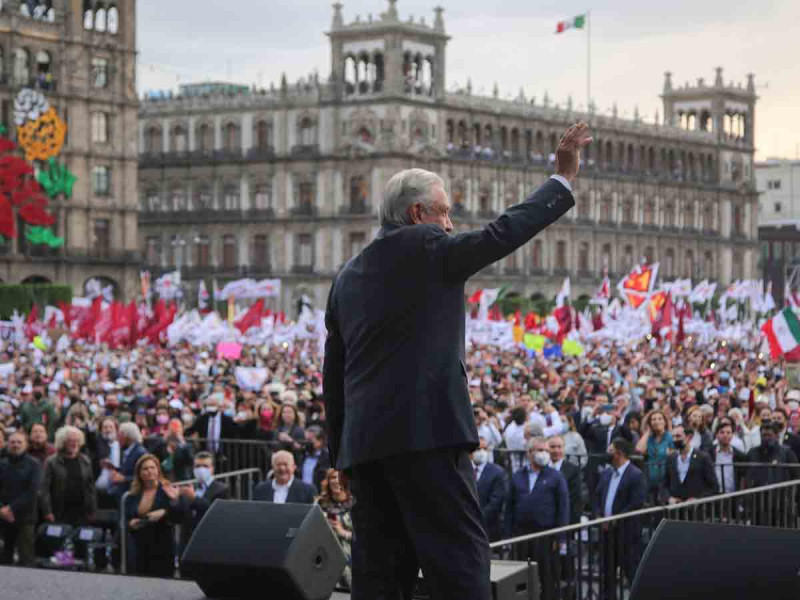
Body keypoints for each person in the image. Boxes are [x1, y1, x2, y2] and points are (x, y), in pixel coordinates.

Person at [324, 123, 590, 600]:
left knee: (380, 573)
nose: (450, 224)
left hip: (366, 448)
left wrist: (339, 454)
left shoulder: (347, 275)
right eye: (445, 213)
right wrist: (561, 181)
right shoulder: (428, 248)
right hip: (428, 437)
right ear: (418, 213)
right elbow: (501, 233)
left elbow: (334, 375)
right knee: (459, 563)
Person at [505, 437, 569, 600]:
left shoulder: (556, 476)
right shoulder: (518, 476)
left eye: (546, 451)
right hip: (522, 535)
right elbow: (509, 507)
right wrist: (508, 534)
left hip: (545, 536)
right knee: (520, 576)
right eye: (540, 450)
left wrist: (560, 538)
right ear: (529, 453)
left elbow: (563, 508)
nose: (544, 454)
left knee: (546, 576)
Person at [594, 438, 646, 600]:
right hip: (606, 532)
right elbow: (597, 496)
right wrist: (599, 517)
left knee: (631, 571)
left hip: (626, 533)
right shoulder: (607, 472)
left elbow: (636, 502)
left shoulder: (635, 475)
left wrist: (615, 520)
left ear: (619, 454)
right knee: (607, 572)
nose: (607, 454)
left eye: (610, 450)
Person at [124, 454, 182, 577]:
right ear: (139, 473)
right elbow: (126, 518)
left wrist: (166, 510)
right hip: (139, 548)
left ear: (158, 470)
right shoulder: (132, 495)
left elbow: (179, 516)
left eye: (152, 467)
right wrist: (130, 523)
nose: (149, 471)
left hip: (162, 548)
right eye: (145, 468)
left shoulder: (167, 490)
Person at [0, 431, 42, 566]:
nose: (16, 445)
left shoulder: (34, 464)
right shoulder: (2, 464)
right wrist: (2, 509)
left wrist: (11, 508)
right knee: (5, 555)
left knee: (26, 556)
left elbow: (32, 491)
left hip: (25, 516)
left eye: (19, 442)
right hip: (3, 516)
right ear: (7, 444)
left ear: (26, 445)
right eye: (12, 442)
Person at [40, 426, 97, 526]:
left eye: (77, 440)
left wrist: (92, 509)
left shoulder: (86, 461)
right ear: (63, 442)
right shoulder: (51, 462)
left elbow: (90, 487)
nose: (74, 443)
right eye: (70, 440)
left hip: (82, 512)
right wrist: (47, 511)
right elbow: (44, 489)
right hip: (59, 511)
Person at [177, 452, 230, 551]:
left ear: (212, 468)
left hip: (209, 541)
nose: (201, 469)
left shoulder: (221, 489)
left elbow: (214, 511)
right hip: (187, 542)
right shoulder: (189, 488)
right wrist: (175, 500)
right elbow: (181, 516)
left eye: (205, 466)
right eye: (197, 466)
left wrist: (194, 499)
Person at [316, 469, 354, 589]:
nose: (336, 481)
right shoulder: (319, 504)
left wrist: (342, 532)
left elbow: (366, 537)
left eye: (339, 477)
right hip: (326, 557)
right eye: (332, 477)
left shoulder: (356, 504)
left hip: (351, 558)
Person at [661, 426, 718, 504]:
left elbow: (714, 486)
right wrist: (669, 498)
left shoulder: (703, 457)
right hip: (675, 509)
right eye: (673, 437)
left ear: (689, 437)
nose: (674, 440)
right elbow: (664, 484)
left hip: (697, 509)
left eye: (678, 436)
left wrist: (699, 500)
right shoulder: (671, 458)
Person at [472, 438, 507, 542]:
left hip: (488, 527)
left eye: (485, 448)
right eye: (478, 449)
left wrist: (479, 518)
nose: (481, 452)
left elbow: (496, 501)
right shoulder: (464, 470)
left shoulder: (497, 472)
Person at [635, 410, 673, 503]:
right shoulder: (650, 438)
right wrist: (647, 432)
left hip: (666, 480)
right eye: (653, 419)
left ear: (665, 421)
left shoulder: (670, 436)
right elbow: (639, 449)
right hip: (651, 479)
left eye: (660, 419)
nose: (657, 421)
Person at [252, 450, 317, 503]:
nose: (282, 468)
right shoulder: (260, 490)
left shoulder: (308, 491)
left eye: (285, 464)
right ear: (272, 467)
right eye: (278, 464)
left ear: (293, 467)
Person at [549, 435, 584, 523]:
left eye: (559, 447)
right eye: (552, 447)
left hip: (564, 520)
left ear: (564, 449)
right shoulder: (542, 468)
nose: (556, 450)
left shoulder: (573, 470)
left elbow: (575, 498)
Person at [110, 422, 147, 498]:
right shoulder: (128, 450)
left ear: (128, 437)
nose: (117, 438)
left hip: (133, 495)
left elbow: (145, 476)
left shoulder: (140, 453)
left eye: (120, 435)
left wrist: (124, 479)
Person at [709, 419, 747, 494]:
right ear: (716, 435)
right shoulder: (709, 453)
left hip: (732, 495)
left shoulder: (739, 455)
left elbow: (743, 477)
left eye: (728, 432)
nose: (725, 435)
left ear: (732, 435)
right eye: (722, 432)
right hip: (714, 495)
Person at [299, 425, 331, 492]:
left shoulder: (327, 458)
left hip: (318, 493)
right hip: (302, 492)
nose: (307, 443)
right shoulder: (302, 455)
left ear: (320, 441)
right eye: (306, 440)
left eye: (310, 440)